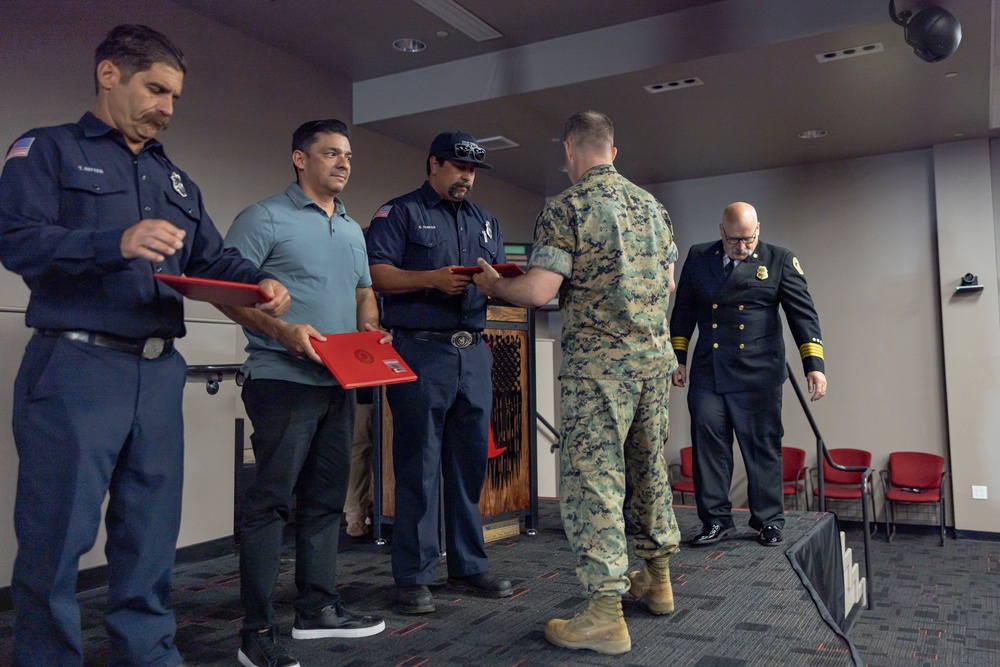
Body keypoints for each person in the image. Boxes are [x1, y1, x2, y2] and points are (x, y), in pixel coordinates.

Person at [0, 24, 290, 666]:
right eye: (156, 89)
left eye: (175, 97)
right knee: (57, 536)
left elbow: (214, 261)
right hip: (77, 366)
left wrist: (260, 283)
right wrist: (115, 243)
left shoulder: (176, 182)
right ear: (109, 75)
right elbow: (17, 241)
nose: (167, 107)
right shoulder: (46, 150)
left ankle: (150, 654)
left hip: (158, 372)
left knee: (151, 533)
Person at [473, 110, 682, 655]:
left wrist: (495, 285)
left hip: (598, 370)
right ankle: (658, 581)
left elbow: (540, 292)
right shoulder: (653, 209)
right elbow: (667, 282)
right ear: (612, 151)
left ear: (569, 151)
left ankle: (605, 613)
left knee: (594, 482)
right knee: (648, 467)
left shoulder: (567, 206)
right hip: (653, 363)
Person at [219, 119, 386, 667]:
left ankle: (317, 609)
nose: (343, 163)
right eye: (331, 154)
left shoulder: (354, 229)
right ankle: (256, 630)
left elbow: (364, 290)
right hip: (281, 381)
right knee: (270, 505)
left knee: (323, 503)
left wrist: (368, 326)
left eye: (348, 156)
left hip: (339, 381)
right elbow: (228, 293)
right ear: (300, 159)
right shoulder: (264, 217)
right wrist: (282, 333)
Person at [365, 131, 513, 615]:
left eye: (471, 170)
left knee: (470, 465)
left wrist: (498, 284)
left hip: (474, 353)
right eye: (457, 166)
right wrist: (430, 279)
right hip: (420, 352)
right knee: (419, 466)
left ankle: (469, 565)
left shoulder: (486, 221)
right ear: (433, 164)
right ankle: (414, 574)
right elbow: (375, 273)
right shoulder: (401, 212)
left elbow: (495, 277)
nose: (465, 176)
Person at [669, 202, 827, 548]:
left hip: (758, 375)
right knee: (708, 448)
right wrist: (678, 357)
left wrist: (813, 365)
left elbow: (803, 316)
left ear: (759, 230)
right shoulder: (699, 256)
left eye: (749, 240)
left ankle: (768, 521)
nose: (741, 247)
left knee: (762, 449)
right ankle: (715, 520)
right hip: (710, 372)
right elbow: (683, 310)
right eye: (734, 240)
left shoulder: (779, 260)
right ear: (721, 232)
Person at [344, 388, 375, 537]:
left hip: (390, 393)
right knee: (359, 452)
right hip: (363, 394)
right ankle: (355, 515)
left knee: (361, 452)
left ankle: (367, 512)